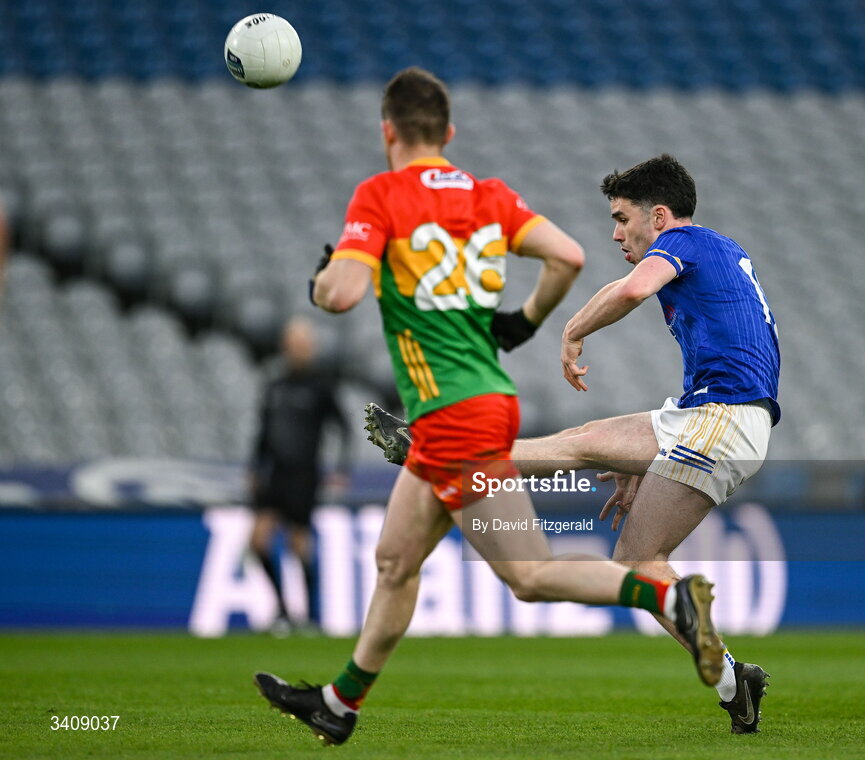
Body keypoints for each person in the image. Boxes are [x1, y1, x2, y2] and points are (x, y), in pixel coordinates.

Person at [253, 69, 723, 746]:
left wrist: (324, 278)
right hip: (480, 401)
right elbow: (566, 255)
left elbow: (344, 294)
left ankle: (664, 596)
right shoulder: (485, 195)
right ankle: (340, 703)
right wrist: (524, 323)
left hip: (451, 416)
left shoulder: (382, 195)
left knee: (528, 576)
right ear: (448, 134)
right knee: (394, 560)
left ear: (387, 131)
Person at [365, 154, 780, 733]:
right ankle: (737, 684)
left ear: (659, 217)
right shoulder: (717, 252)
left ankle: (436, 449)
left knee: (637, 562)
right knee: (583, 442)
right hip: (710, 414)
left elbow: (633, 289)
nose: (615, 232)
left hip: (723, 418)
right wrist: (646, 457)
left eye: (621, 218)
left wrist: (572, 329)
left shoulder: (685, 245)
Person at [249, 316, 352, 636]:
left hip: (304, 474)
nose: (299, 349)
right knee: (258, 542)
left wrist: (340, 468)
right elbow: (263, 432)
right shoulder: (275, 386)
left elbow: (344, 428)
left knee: (298, 544)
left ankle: (307, 616)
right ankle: (281, 609)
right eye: (294, 342)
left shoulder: (321, 387)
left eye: (303, 343)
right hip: (275, 473)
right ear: (286, 346)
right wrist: (254, 468)